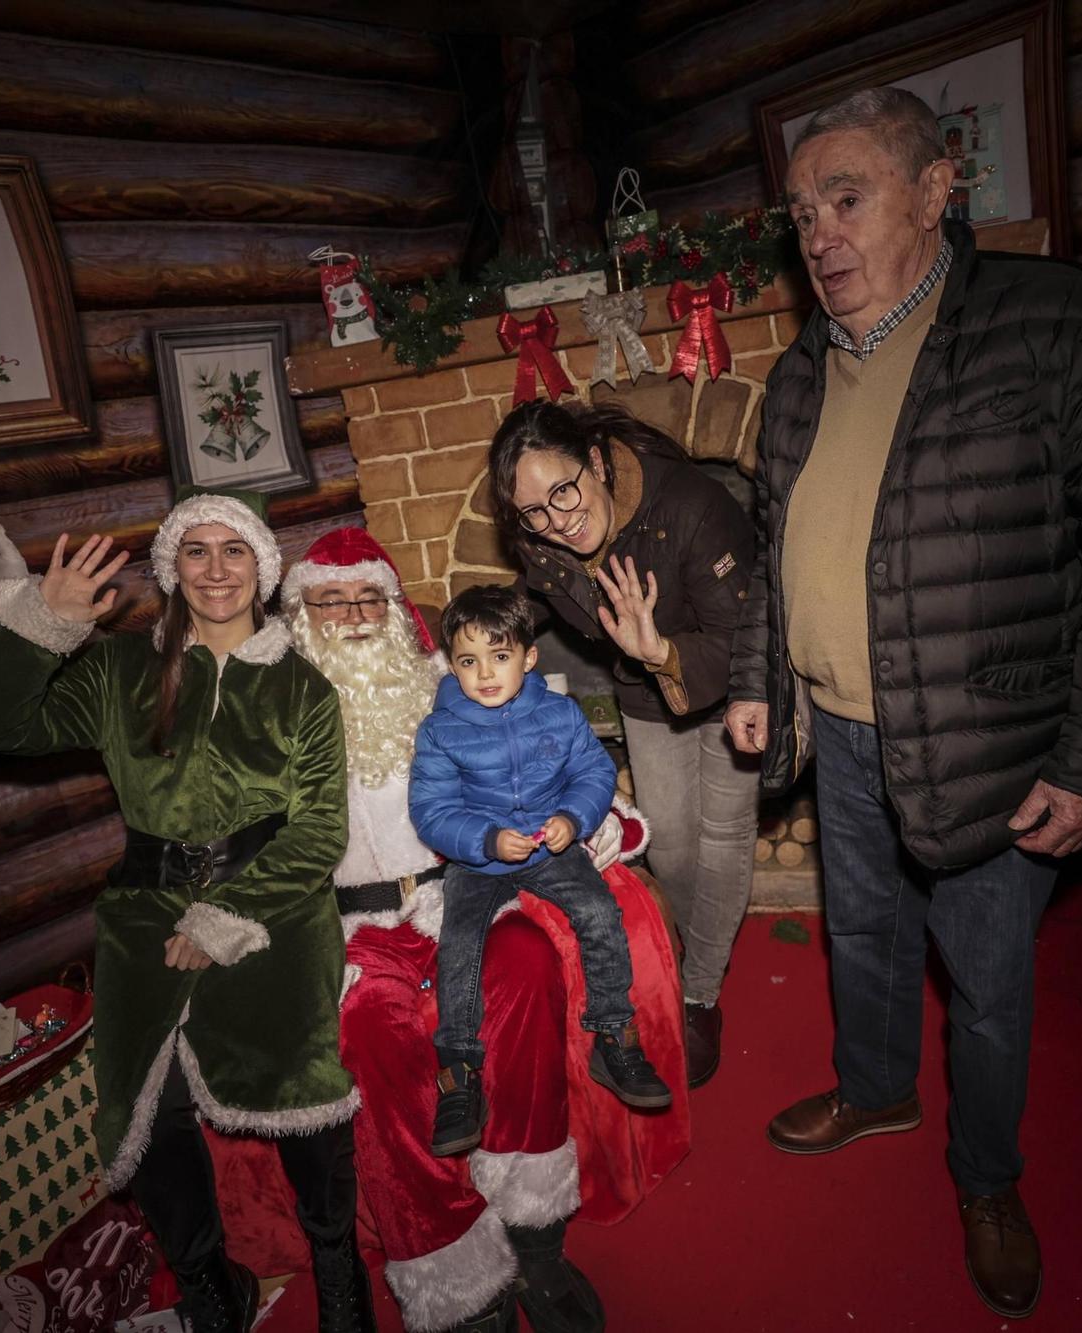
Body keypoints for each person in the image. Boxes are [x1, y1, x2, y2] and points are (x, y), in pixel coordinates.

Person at [725, 87, 1082, 1318]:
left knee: (986, 981)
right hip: (838, 726)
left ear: (939, 190)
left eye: (847, 199)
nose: (818, 234)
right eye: (800, 213)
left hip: (993, 731)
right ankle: (875, 1084)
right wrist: (757, 686)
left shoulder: (1058, 327)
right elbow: (771, 558)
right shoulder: (792, 377)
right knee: (860, 931)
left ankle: (987, 1176)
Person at [0, 491, 373, 1333]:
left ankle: (337, 1264)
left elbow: (320, 831)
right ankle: (208, 1283)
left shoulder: (301, 687)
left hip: (272, 905)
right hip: (143, 910)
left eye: (233, 550)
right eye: (195, 551)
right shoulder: (120, 668)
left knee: (301, 1086)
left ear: (262, 568)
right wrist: (31, 622)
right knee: (145, 1106)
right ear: (171, 569)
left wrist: (226, 916)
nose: (215, 569)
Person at [282, 526, 686, 1333]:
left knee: (527, 968)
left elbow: (540, 756)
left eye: (370, 597)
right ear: (301, 616)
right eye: (330, 603)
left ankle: (536, 1236)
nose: (354, 617)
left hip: (462, 888)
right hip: (354, 927)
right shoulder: (279, 714)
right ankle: (458, 1275)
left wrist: (601, 820)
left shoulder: (453, 678)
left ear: (398, 611)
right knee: (371, 1031)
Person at [487, 399, 758, 1088]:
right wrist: (474, 647)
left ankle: (698, 994)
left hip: (734, 684)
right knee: (669, 842)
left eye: (564, 490)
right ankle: (692, 955)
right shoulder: (545, 541)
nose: (555, 518)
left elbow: (743, 636)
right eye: (534, 511)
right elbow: (533, 598)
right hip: (647, 690)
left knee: (721, 836)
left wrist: (661, 647)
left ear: (598, 462)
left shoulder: (695, 506)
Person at [411, 585, 672, 1157]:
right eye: (468, 660)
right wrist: (482, 839)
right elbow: (430, 810)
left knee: (600, 910)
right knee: (459, 943)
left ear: (529, 659)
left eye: (499, 657)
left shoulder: (558, 711)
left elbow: (593, 773)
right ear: (451, 665)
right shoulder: (439, 729)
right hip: (477, 860)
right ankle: (459, 1070)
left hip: (550, 849)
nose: (484, 673)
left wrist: (572, 818)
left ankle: (612, 1034)